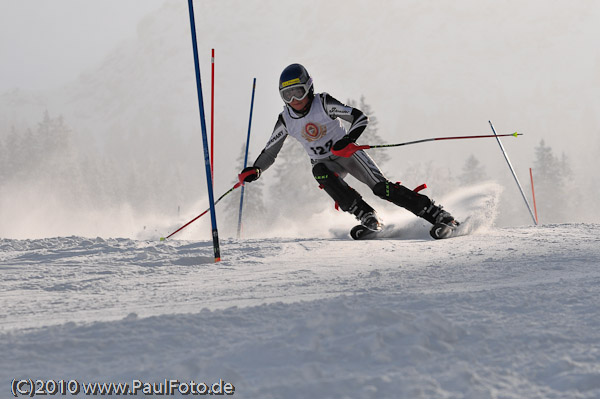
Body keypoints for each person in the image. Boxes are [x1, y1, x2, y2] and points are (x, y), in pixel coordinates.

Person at [238, 63, 458, 239]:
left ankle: (438, 214)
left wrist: (348, 140)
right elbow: (269, 152)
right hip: (326, 163)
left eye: (298, 92)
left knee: (381, 188)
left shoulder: (322, 103)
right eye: (288, 96)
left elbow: (359, 118)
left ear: (309, 88)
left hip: (348, 155)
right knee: (319, 171)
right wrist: (256, 170)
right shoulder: (285, 120)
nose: (295, 100)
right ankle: (366, 215)